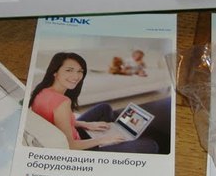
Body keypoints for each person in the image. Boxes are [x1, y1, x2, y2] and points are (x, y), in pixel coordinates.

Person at [28, 52, 157, 153]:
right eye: (69, 70)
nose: (76, 76)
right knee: (150, 145)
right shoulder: (63, 102)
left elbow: (56, 120)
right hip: (78, 149)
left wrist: (86, 124)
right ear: (55, 72)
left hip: (67, 135)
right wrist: (103, 140)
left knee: (104, 108)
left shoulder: (42, 90)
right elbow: (70, 146)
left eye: (80, 71)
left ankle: (114, 135)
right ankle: (113, 141)